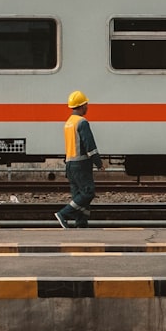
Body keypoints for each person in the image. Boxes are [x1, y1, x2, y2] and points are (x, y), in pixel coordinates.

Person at [55, 90, 105, 228]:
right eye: (86, 105)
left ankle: (81, 224)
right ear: (82, 106)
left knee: (78, 196)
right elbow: (89, 145)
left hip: (70, 164)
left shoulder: (68, 123)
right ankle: (63, 214)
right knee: (88, 192)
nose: (87, 107)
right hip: (81, 164)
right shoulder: (82, 122)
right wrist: (98, 162)